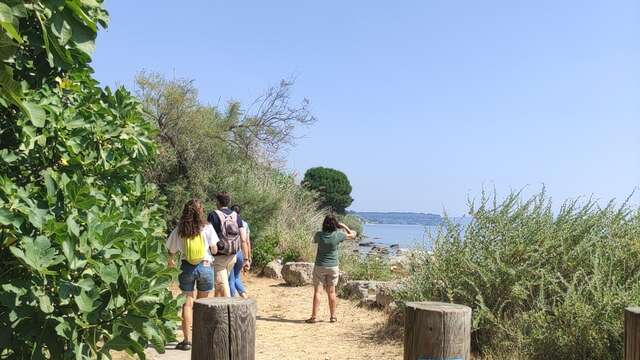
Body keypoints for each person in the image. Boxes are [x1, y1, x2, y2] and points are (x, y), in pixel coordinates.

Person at [166, 199, 219, 351]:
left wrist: (170, 262)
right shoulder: (207, 227)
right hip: (205, 266)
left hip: (186, 268)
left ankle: (187, 341)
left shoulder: (179, 229)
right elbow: (214, 250)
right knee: (202, 306)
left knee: (187, 304)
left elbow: (171, 250)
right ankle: (201, 338)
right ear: (201, 211)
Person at [306, 214, 357, 324]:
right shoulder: (338, 235)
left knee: (318, 292)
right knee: (332, 292)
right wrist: (343, 226)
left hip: (320, 265)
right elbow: (353, 235)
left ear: (324, 224)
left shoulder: (319, 235)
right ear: (335, 225)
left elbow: (313, 240)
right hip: (333, 266)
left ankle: (314, 317)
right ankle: (333, 317)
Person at [207, 192, 251, 297]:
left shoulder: (213, 215)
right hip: (233, 255)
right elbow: (244, 239)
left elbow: (208, 234)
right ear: (228, 201)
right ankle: (216, 310)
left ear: (217, 202)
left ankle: (229, 306)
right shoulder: (236, 216)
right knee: (219, 283)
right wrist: (246, 259)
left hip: (219, 256)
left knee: (222, 284)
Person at [228, 204, 252, 298]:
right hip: (241, 254)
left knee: (230, 278)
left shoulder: (228, 222)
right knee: (236, 277)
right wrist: (248, 257)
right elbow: (247, 241)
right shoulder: (244, 224)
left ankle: (233, 299)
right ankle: (244, 295)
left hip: (232, 253)